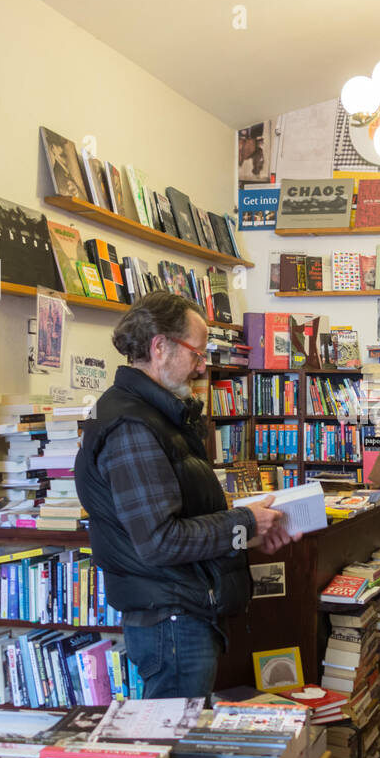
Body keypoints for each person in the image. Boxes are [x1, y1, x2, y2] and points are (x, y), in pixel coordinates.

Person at [75, 292, 296, 700]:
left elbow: (186, 513)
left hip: (182, 609)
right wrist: (245, 523)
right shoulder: (131, 424)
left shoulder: (158, 415)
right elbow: (159, 540)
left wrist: (248, 532)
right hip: (170, 618)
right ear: (160, 347)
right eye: (198, 352)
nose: (201, 365)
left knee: (185, 739)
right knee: (175, 746)